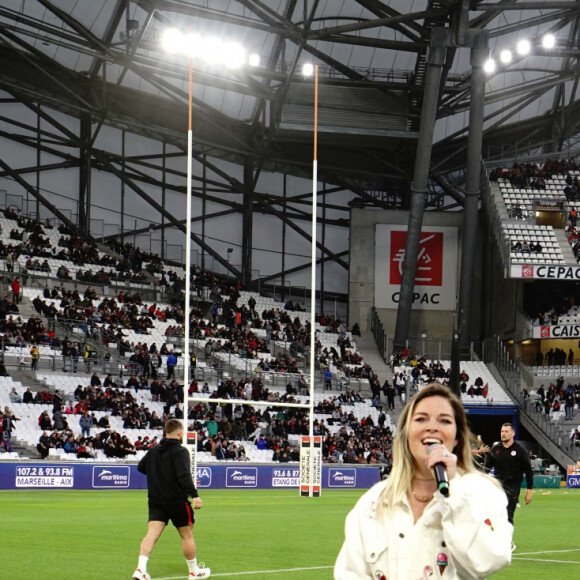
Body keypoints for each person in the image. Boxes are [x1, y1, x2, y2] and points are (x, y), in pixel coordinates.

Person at [334, 383, 512, 580]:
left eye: (444, 421)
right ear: (406, 434)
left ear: (456, 439)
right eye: (421, 419)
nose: (432, 427)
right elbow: (350, 572)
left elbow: (491, 559)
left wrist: (455, 493)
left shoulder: (482, 491)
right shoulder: (374, 501)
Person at [133, 419, 210, 580]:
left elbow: (141, 467)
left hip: (155, 500)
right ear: (180, 433)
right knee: (187, 535)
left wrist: (159, 474)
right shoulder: (180, 451)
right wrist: (194, 495)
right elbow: (184, 475)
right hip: (176, 500)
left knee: (151, 534)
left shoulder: (154, 450)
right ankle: (193, 571)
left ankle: (140, 570)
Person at [485, 423, 533, 528]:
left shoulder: (520, 450)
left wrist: (529, 491)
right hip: (498, 486)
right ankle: (497, 537)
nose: (503, 434)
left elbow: (529, 471)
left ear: (513, 433)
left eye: (506, 431)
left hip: (513, 486)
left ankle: (508, 541)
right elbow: (486, 469)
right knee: (495, 514)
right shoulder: (495, 450)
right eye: (502, 431)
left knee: (508, 514)